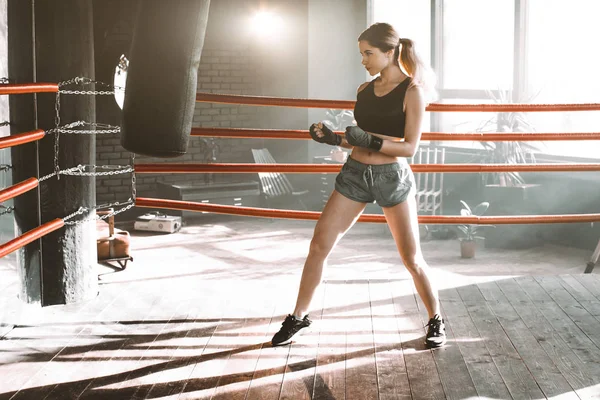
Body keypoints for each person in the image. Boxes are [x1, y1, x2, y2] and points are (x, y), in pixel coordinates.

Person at [271, 22, 446, 349]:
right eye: (361, 54)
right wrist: (333, 138)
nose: (363, 60)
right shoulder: (364, 91)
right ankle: (299, 316)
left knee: (411, 258)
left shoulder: (412, 92)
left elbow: (409, 148)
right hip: (355, 174)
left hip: (391, 176)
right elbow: (358, 140)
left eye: (368, 53)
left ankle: (435, 319)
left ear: (390, 52)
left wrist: (371, 141)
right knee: (319, 244)